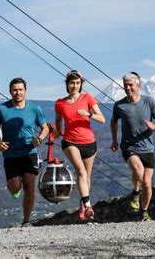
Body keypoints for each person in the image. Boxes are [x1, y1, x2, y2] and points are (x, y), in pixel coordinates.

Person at [0, 77, 49, 226]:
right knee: (15, 186)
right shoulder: (2, 109)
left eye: (20, 90)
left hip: (29, 152)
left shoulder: (34, 108)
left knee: (29, 185)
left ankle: (26, 219)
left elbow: (45, 128)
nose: (18, 92)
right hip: (10, 154)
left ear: (25, 91)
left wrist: (39, 139)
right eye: (15, 90)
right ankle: (15, 190)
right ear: (10, 92)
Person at [110, 72, 155, 221]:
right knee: (138, 171)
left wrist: (154, 126)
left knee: (147, 184)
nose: (127, 88)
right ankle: (135, 193)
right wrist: (115, 140)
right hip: (129, 146)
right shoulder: (119, 105)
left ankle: (144, 212)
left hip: (147, 148)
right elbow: (113, 121)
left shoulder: (149, 102)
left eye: (130, 85)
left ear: (138, 86)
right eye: (125, 85)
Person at [54, 70, 106, 221]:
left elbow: (102, 119)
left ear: (81, 84)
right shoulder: (60, 103)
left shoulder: (87, 98)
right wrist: (59, 130)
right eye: (71, 83)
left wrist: (88, 114)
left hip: (89, 142)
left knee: (86, 177)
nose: (74, 86)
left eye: (77, 83)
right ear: (67, 84)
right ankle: (89, 206)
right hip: (70, 141)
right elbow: (58, 120)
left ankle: (83, 203)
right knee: (81, 173)